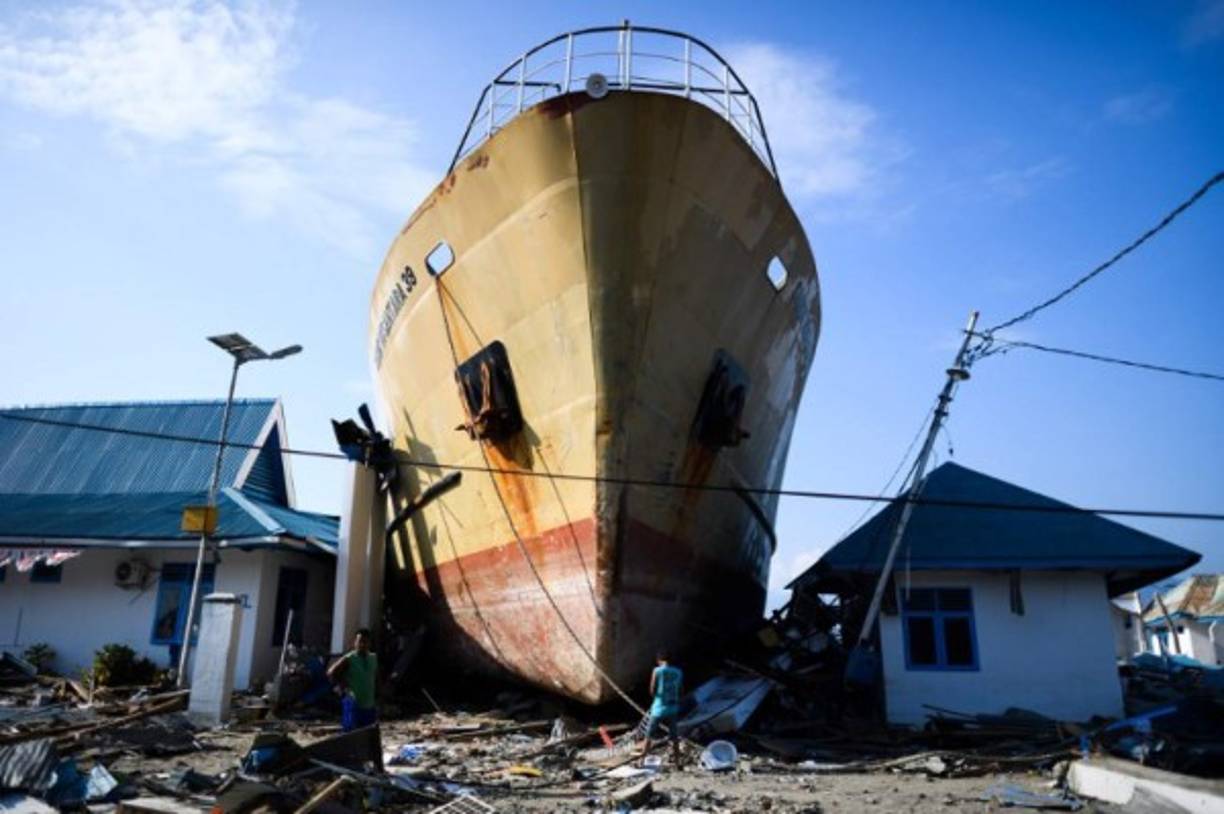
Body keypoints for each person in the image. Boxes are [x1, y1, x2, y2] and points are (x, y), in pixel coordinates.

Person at [328, 628, 379, 731]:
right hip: (354, 705)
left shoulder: (373, 658)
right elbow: (331, 672)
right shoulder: (350, 658)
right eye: (360, 641)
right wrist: (342, 689)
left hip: (369, 704)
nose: (362, 645)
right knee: (351, 734)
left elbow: (375, 677)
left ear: (369, 643)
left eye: (365, 642)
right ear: (355, 643)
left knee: (368, 735)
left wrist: (379, 695)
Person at [641, 650, 683, 762]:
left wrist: (656, 697)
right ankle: (678, 761)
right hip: (673, 707)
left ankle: (641, 760)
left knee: (648, 735)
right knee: (674, 737)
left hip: (658, 708)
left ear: (659, 660)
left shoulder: (657, 670)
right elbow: (680, 689)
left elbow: (652, 688)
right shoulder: (679, 672)